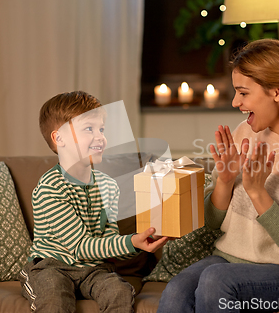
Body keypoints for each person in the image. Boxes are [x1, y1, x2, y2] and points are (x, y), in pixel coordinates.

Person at [157, 39, 279, 313]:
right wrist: (224, 181)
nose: (236, 102)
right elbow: (213, 222)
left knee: (216, 282)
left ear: (277, 92)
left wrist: (258, 193)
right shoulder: (244, 133)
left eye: (243, 93)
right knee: (176, 291)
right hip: (232, 259)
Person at [18, 91, 167, 313]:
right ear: (59, 139)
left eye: (101, 129)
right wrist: (132, 241)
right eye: (89, 129)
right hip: (52, 266)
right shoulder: (50, 188)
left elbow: (109, 242)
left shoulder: (108, 185)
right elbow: (80, 247)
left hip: (94, 268)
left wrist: (141, 242)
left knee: (120, 291)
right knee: (54, 299)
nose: (100, 137)